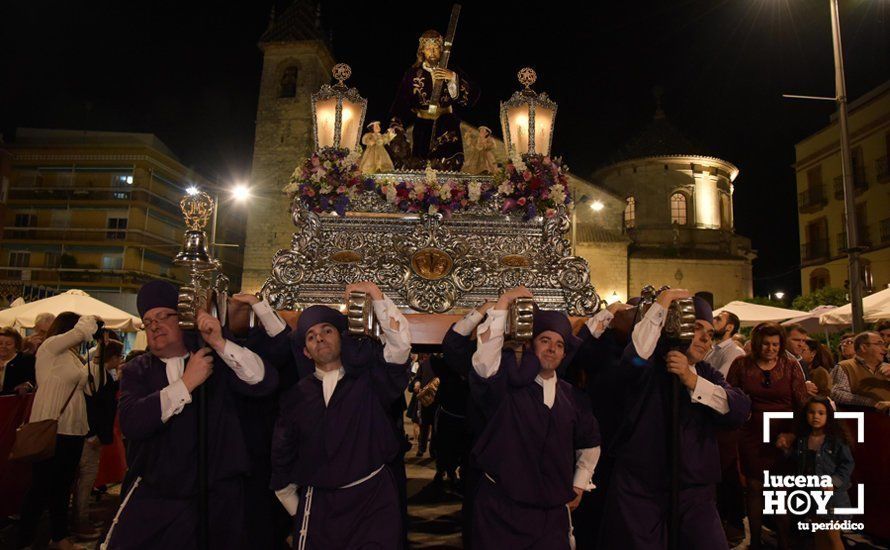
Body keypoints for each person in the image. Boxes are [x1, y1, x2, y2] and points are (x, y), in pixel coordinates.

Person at [102, 280, 278, 549]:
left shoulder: (213, 357)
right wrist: (186, 384)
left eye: (163, 316)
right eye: (148, 322)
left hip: (217, 495)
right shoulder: (138, 369)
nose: (155, 325)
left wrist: (219, 342)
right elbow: (133, 422)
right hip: (158, 494)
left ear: (183, 320)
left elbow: (263, 381)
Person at [598, 289, 750, 549]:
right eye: (696, 328)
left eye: (710, 333)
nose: (704, 339)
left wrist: (692, 382)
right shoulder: (649, 365)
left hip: (695, 490)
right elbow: (635, 356)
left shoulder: (705, 373)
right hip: (642, 487)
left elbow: (739, 409)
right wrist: (663, 304)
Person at [270, 281, 410, 549]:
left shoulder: (370, 381)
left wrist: (376, 295)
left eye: (326, 330)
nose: (319, 338)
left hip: (373, 500)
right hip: (320, 505)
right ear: (305, 351)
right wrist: (294, 507)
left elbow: (400, 347)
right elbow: (282, 454)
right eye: (310, 336)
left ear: (341, 336)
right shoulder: (296, 397)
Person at [469, 286, 601, 549]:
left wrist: (579, 483)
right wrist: (504, 301)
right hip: (501, 512)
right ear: (531, 345)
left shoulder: (573, 397)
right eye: (545, 340)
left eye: (559, 344)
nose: (552, 348)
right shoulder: (505, 387)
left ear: (564, 354)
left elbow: (590, 442)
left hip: (550, 519)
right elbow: (484, 361)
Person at [17, 312, 100, 550]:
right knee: (41, 487)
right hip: (52, 426)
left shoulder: (73, 356)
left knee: (63, 487)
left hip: (74, 429)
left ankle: (59, 536)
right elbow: (82, 331)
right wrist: (89, 319)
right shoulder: (50, 348)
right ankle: (25, 540)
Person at [727, 322, 808, 549]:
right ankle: (755, 541)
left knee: (781, 488)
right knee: (754, 487)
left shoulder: (790, 366)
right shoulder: (741, 364)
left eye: (775, 344)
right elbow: (730, 396)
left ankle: (784, 540)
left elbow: (802, 404)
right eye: (766, 344)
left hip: (783, 434)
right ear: (756, 343)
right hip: (752, 434)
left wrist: (793, 434)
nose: (770, 349)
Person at [390, 29, 479, 171]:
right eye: (428, 48)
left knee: (448, 165)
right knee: (421, 166)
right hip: (422, 126)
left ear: (442, 50)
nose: (432, 51)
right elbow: (402, 101)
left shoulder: (451, 69)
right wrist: (396, 124)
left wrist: (453, 78)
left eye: (436, 47)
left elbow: (473, 95)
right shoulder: (412, 74)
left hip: (446, 124)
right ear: (422, 51)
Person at [779, 396, 854, 550]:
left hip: (832, 498)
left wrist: (834, 482)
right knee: (819, 535)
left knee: (833, 537)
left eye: (821, 413)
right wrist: (786, 449)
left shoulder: (836, 440)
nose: (816, 416)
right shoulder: (803, 440)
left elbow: (848, 463)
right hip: (812, 495)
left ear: (829, 416)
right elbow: (800, 462)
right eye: (812, 412)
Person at [72, 339, 124, 540]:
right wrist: (93, 433)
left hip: (90, 432)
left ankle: (81, 516)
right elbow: (92, 406)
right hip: (89, 434)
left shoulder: (97, 371)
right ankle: (80, 520)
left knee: (86, 478)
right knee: (85, 477)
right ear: (113, 357)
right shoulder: (96, 373)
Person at [829, 331, 890, 410]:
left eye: (884, 344)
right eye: (879, 344)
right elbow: (837, 394)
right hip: (861, 420)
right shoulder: (845, 366)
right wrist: (871, 403)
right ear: (863, 347)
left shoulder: (887, 367)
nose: (885, 349)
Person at [706, 310, 745, 377]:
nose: (713, 321)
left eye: (718, 319)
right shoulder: (712, 349)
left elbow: (720, 380)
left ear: (729, 328)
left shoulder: (735, 352)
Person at [0, 326, 36, 395]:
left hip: (14, 402)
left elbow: (32, 380)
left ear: (16, 345)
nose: (3, 346)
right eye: (0, 343)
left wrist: (26, 386)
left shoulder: (26, 359)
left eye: (8, 344)